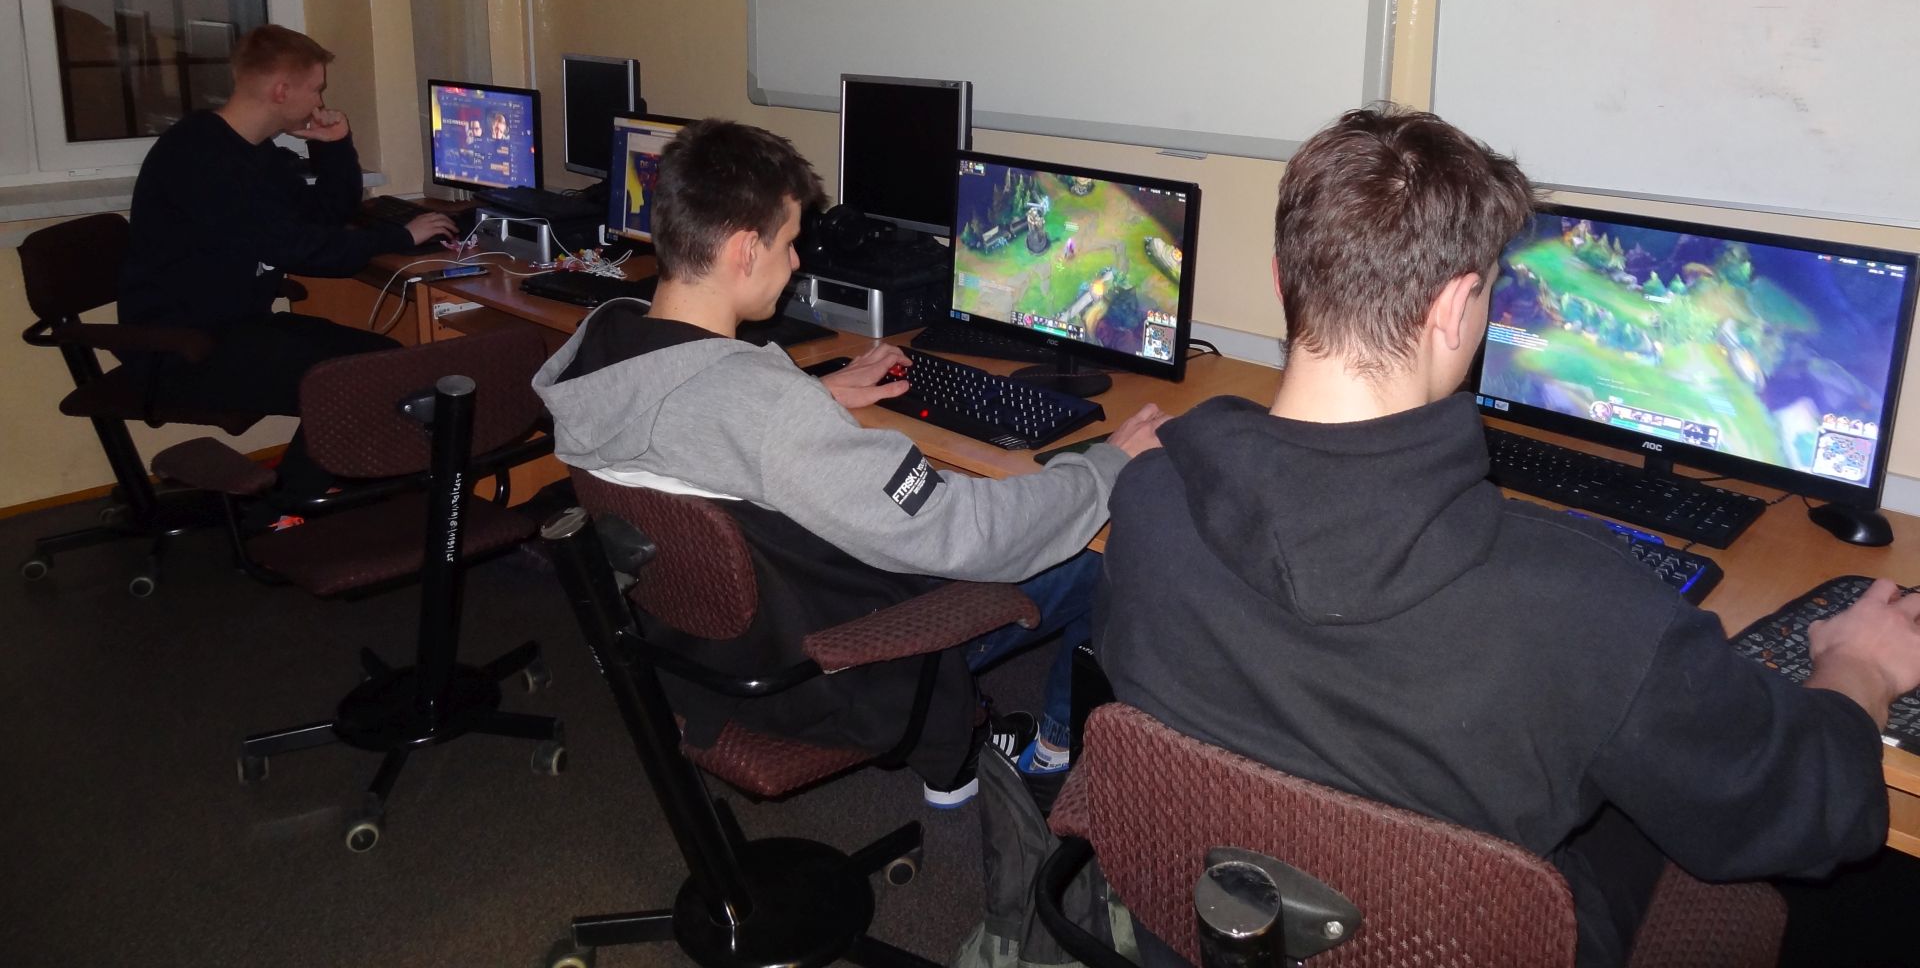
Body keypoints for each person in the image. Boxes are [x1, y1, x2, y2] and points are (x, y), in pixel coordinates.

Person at [1095, 106, 1920, 968]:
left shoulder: (1149, 499)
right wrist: (1859, 668)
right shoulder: (1588, 606)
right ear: (1456, 307)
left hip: (1219, 924)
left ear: (1281, 279)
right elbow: (1807, 809)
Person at [533, 118, 1167, 803]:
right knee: (1109, 550)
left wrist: (815, 394)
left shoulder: (604, 345)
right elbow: (969, 532)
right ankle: (1044, 750)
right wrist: (1107, 467)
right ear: (744, 250)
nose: (796, 263)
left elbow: (698, 422)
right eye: (788, 242)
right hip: (838, 663)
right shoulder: (769, 413)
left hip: (695, 651)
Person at [121, 24, 457, 511]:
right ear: (282, 90)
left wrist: (333, 145)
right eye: (316, 89)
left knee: (386, 360)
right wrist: (401, 237)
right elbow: (303, 249)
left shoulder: (251, 152)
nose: (320, 100)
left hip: (235, 327)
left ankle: (312, 494)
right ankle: (288, 512)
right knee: (354, 384)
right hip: (181, 346)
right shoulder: (200, 158)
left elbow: (326, 215)